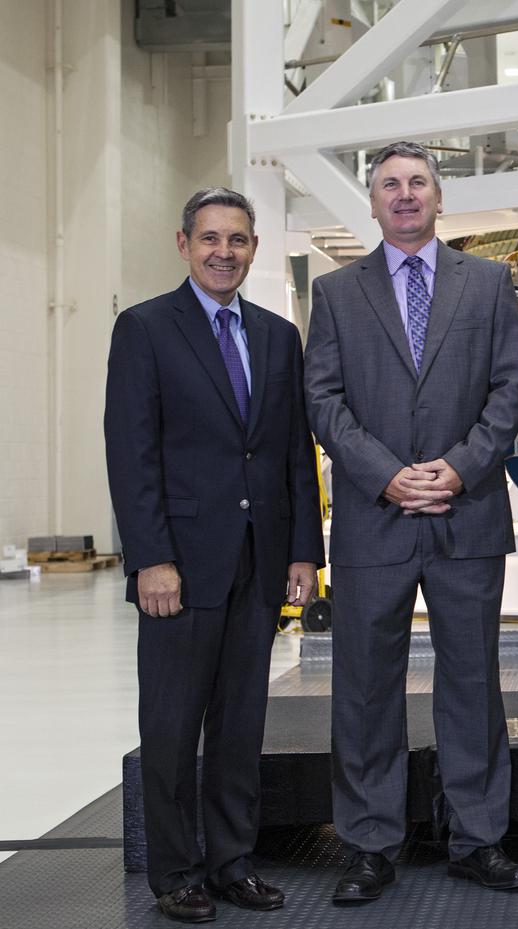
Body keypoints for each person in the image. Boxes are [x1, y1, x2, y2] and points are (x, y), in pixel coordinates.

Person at [305, 141, 518, 904]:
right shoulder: (337, 293)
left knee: (473, 681)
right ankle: (370, 843)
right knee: (366, 686)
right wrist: (386, 474)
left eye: (417, 183)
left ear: (440, 197)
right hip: (375, 516)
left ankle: (479, 838)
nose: (404, 194)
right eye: (389, 185)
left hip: (467, 512)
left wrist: (460, 467)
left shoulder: (489, 283)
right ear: (372, 203)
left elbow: (510, 388)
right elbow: (323, 400)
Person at [105, 187, 324, 924]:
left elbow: (293, 452)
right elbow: (131, 453)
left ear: (253, 248)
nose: (223, 252)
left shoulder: (276, 336)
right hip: (180, 566)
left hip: (258, 562)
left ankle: (232, 864)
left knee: (239, 726)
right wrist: (150, 558)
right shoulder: (145, 328)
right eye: (210, 238)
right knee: (172, 728)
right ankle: (175, 872)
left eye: (237, 239)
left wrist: (303, 551)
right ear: (183, 244)